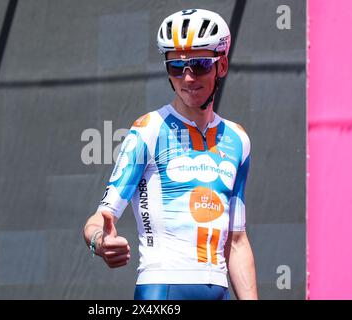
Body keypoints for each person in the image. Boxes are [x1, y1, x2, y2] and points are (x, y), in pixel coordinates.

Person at [83, 8, 258, 300]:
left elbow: (237, 241)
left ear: (222, 66)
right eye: (177, 66)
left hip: (220, 289)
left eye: (201, 64)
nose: (188, 78)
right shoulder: (148, 130)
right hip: (162, 288)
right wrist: (99, 242)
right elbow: (98, 219)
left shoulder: (238, 139)